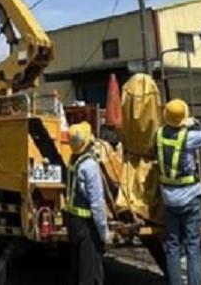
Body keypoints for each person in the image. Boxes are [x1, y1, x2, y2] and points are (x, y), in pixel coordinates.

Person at [156, 99, 201, 285]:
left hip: (168, 197)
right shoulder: (189, 137)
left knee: (173, 246)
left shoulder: (159, 134)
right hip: (190, 196)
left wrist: (184, 123)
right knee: (192, 245)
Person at [66, 122, 109, 285]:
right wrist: (104, 233)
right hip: (87, 226)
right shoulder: (89, 165)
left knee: (77, 269)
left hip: (73, 222)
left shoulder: (73, 160)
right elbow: (97, 203)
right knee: (90, 273)